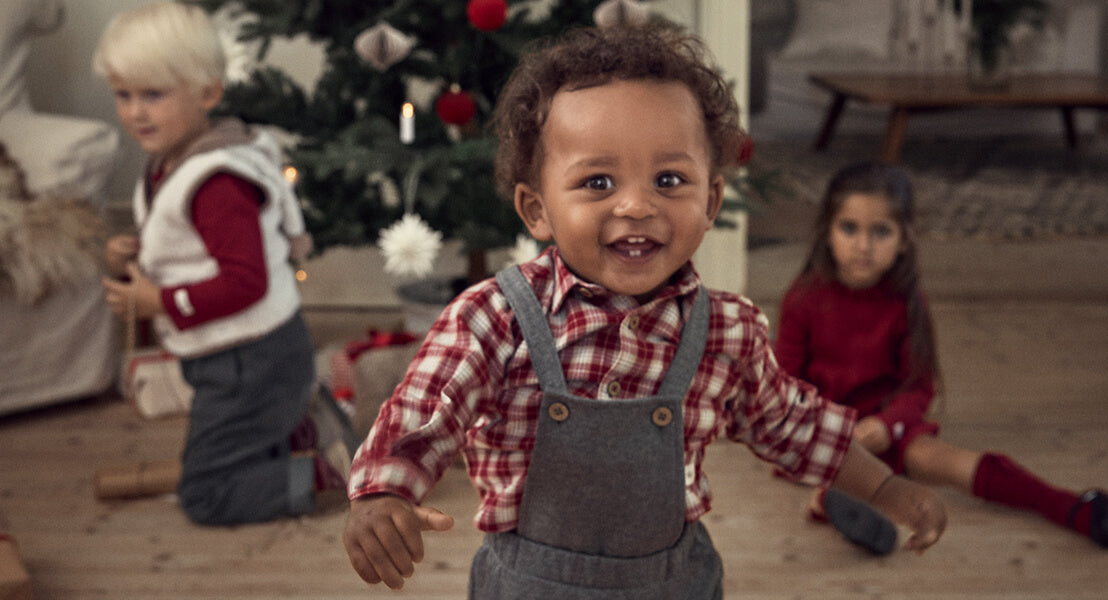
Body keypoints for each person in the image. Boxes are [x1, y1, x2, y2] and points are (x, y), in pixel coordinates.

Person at [341, 24, 946, 597]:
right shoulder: (494, 318)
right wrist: (380, 495)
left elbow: (796, 425)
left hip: (674, 583)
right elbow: (422, 414)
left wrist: (885, 486)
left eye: (669, 179)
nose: (636, 205)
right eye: (598, 183)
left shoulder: (726, 331)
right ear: (536, 210)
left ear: (710, 199)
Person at [773, 161, 1108, 550]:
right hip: (825, 432)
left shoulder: (905, 301)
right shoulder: (803, 299)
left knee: (944, 460)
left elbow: (918, 389)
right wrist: (828, 431)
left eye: (881, 231)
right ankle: (842, 500)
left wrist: (886, 426)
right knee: (829, 460)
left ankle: (1069, 507)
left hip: (890, 431)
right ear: (827, 231)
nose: (863, 246)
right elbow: (784, 387)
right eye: (849, 228)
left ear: (904, 240)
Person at [93, 1, 344, 525]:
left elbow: (245, 281)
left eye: (153, 95)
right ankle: (293, 431)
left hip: (251, 362)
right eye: (124, 95)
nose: (136, 112)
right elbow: (186, 239)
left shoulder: (218, 182)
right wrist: (137, 250)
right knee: (218, 456)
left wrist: (155, 301)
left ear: (207, 92)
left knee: (206, 495)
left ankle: (328, 470)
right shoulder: (177, 159)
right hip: (240, 361)